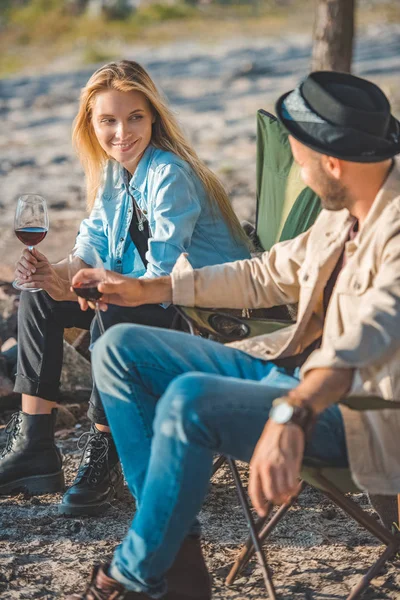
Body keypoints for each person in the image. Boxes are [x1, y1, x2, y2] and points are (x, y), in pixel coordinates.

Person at [67, 71, 400, 600]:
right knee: (118, 347)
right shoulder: (348, 211)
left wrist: (294, 411)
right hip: (288, 369)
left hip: (359, 413)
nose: (299, 168)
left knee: (189, 397)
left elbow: (370, 334)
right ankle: (173, 556)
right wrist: (147, 290)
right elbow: (263, 273)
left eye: (299, 156)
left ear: (332, 161)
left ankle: (136, 572)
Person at [0, 60, 250, 516]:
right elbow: (88, 251)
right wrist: (50, 273)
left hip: (207, 314)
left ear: (153, 116)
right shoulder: (115, 174)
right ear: (90, 125)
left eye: (134, 117)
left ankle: (105, 454)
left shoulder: (170, 175)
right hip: (156, 299)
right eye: (108, 120)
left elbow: (163, 277)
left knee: (114, 314)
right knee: (37, 296)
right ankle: (36, 447)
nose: (122, 132)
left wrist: (101, 291)